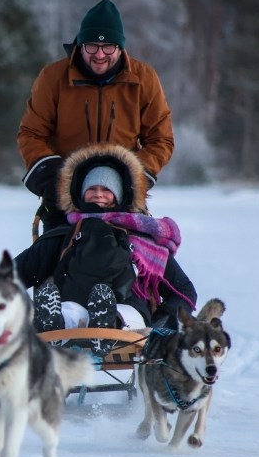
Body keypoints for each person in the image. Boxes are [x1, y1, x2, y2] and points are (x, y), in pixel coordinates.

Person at [17, 0, 175, 232]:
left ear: (120, 48)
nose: (100, 55)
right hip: (63, 199)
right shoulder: (53, 77)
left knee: (144, 262)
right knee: (49, 262)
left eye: (108, 47)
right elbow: (31, 133)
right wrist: (52, 177)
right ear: (80, 45)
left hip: (121, 199)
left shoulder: (144, 79)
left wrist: (133, 177)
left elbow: (161, 140)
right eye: (92, 46)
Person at [14, 143, 195, 340]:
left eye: (106, 189)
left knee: (125, 316)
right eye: (92, 188)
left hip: (128, 312)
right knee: (70, 311)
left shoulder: (142, 239)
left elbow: (184, 291)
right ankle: (55, 321)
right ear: (81, 192)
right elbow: (12, 276)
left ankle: (109, 322)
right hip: (74, 306)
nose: (98, 194)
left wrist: (160, 323)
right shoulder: (63, 236)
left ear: (119, 194)